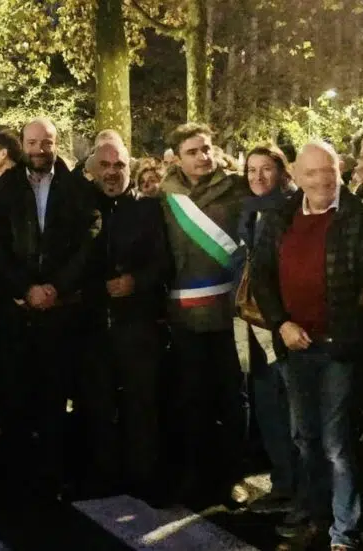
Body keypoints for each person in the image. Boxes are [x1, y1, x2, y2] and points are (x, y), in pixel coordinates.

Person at [252, 141, 363, 551]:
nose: (322, 180)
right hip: (295, 346)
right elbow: (261, 275)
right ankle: (317, 515)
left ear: (340, 170)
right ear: (296, 176)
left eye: (328, 170)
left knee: (336, 444)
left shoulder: (360, 218)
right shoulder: (279, 216)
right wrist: (281, 323)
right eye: (311, 173)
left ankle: (343, 531)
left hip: (338, 349)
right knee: (305, 438)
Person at [0, 117, 95, 500]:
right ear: (22, 143)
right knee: (14, 396)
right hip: (17, 312)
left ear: (55, 143)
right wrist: (25, 288)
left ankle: (51, 477)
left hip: (61, 310)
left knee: (54, 397)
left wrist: (56, 287)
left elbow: (89, 239)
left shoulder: (78, 188)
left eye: (46, 142)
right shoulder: (1, 189)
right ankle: (16, 478)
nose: (39, 150)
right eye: (32, 142)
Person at [158, 122, 250, 507]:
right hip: (183, 316)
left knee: (232, 399)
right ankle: (195, 476)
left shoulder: (238, 188)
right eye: (193, 152)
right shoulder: (165, 196)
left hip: (230, 313)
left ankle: (233, 477)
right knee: (192, 399)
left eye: (207, 148)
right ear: (177, 158)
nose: (203, 157)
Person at [77, 141, 169, 502]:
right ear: (92, 170)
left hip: (138, 322)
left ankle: (144, 476)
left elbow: (164, 261)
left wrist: (137, 281)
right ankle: (104, 474)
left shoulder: (149, 210)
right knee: (97, 403)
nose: (112, 172)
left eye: (119, 165)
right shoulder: (80, 209)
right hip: (93, 324)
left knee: (141, 403)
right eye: (105, 165)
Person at [237, 145, 298, 515]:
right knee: (268, 407)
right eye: (251, 170)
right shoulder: (249, 210)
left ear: (282, 171)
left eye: (266, 169)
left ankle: (297, 489)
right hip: (253, 322)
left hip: (282, 323)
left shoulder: (291, 209)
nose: (257, 177)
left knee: (290, 411)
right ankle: (282, 482)